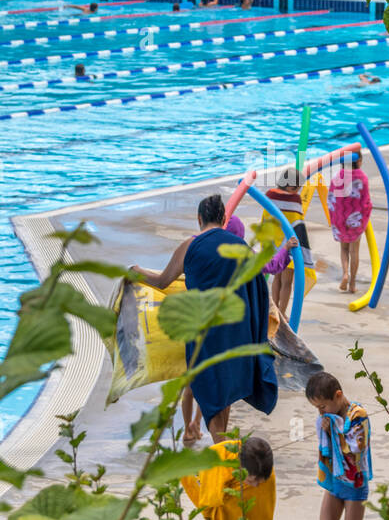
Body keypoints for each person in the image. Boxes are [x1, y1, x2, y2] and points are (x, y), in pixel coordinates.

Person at [131, 194, 278, 442]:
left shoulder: (190, 246)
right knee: (226, 394)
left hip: (204, 335)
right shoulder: (240, 247)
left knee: (209, 397)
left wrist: (137, 272)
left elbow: (162, 281)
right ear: (223, 218)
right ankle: (226, 456)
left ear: (199, 218)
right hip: (237, 333)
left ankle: (226, 462)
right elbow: (258, 290)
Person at [305, 372, 389, 520]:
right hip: (335, 481)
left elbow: (356, 448)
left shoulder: (358, 415)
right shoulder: (330, 416)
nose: (321, 413)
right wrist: (326, 428)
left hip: (354, 485)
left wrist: (332, 428)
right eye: (317, 409)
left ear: (338, 395)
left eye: (323, 406)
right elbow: (328, 444)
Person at [264, 166, 316, 316]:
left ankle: (273, 310)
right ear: (292, 185)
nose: (299, 191)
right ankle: (282, 312)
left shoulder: (270, 195)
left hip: (274, 242)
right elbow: (298, 222)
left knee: (276, 278)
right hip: (290, 244)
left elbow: (266, 218)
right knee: (287, 281)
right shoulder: (294, 199)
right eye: (298, 187)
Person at [329, 151, 373, 292]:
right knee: (354, 251)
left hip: (341, 219)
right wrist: (365, 215)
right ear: (359, 161)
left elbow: (332, 198)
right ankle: (352, 284)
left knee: (344, 248)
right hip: (355, 221)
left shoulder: (338, 176)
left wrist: (335, 217)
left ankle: (345, 274)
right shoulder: (363, 178)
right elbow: (366, 201)